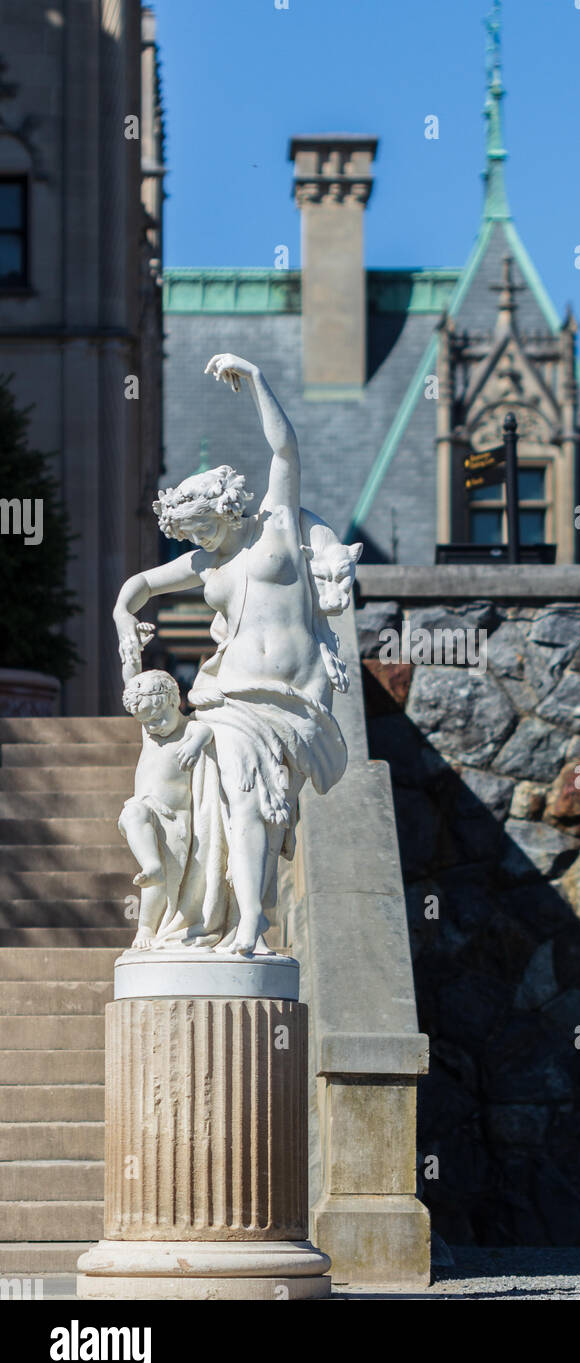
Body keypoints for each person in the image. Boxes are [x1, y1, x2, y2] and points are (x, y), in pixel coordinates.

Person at [113, 354, 352, 954]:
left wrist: (257, 383)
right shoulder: (205, 562)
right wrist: (123, 618)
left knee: (263, 814)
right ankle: (235, 922)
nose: (197, 544)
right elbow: (139, 587)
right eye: (189, 537)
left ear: (226, 507)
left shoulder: (276, 528)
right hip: (229, 698)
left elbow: (284, 452)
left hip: (293, 698)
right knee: (232, 804)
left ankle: (242, 919)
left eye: (202, 530)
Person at [118, 671, 212, 949]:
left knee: (165, 883)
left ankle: (147, 927)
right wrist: (131, 643)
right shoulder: (150, 732)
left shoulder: (189, 729)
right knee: (132, 812)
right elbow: (132, 675)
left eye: (157, 719)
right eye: (145, 723)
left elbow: (205, 731)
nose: (152, 727)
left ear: (175, 701)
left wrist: (195, 746)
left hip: (176, 819)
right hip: (146, 808)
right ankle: (151, 869)